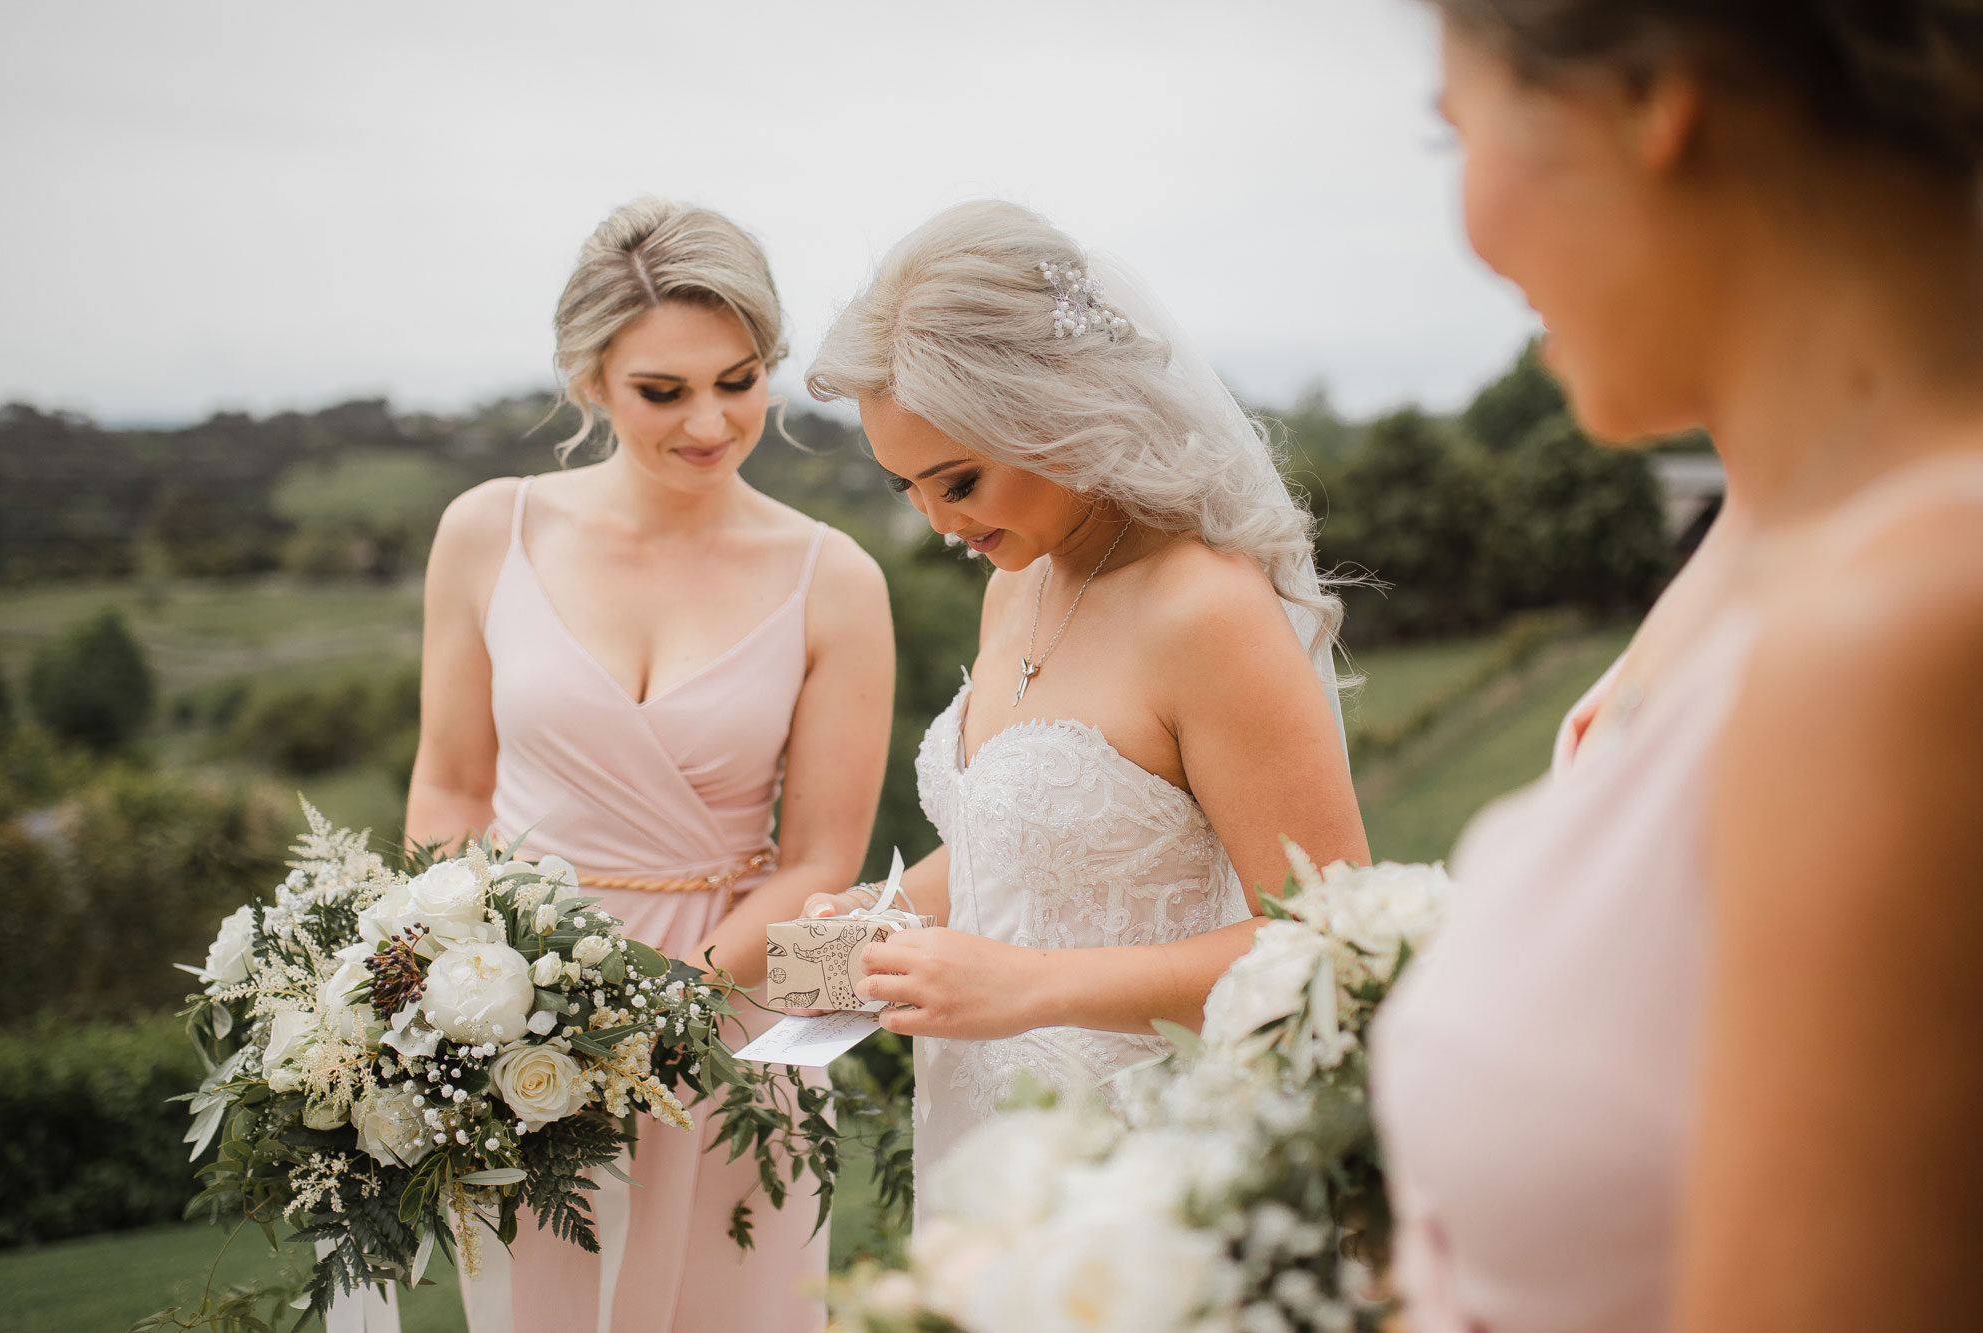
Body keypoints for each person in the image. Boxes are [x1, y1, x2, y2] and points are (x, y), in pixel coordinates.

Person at [1371, 4, 1983, 1330]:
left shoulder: (1913, 634)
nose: (1470, 228)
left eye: (1456, 135)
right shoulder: (1781, 529)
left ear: (1650, 94)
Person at [799, 200, 1369, 1183]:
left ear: (1052, 411)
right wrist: (868, 918)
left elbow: (1330, 941)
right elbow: (1018, 841)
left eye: (958, 480)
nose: (937, 520)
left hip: (1150, 1155)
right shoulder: (1014, 580)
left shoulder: (1204, 611)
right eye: (907, 488)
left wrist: (1031, 986)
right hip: (984, 1137)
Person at [406, 198, 894, 1333]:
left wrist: (651, 1014)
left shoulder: (836, 578)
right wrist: (476, 981)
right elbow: (450, 787)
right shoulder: (487, 532)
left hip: (742, 1019)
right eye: (662, 391)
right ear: (588, 378)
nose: (712, 423)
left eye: (738, 379)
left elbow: (826, 856)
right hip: (521, 1038)